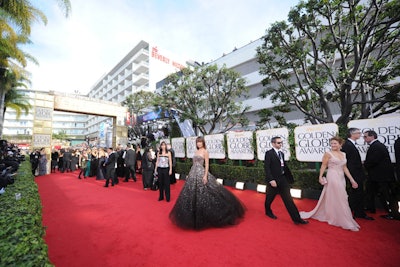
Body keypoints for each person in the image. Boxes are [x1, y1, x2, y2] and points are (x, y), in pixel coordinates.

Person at [169, 136, 246, 230]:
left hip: (201, 173)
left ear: (203, 143)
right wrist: (190, 173)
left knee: (209, 192)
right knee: (191, 194)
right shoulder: (196, 151)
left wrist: (205, 175)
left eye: (200, 142)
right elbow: (194, 164)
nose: (198, 144)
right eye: (197, 142)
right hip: (193, 173)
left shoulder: (205, 151)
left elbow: (207, 164)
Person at [300, 137, 360, 231]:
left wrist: (352, 180)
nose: (333, 145)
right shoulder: (328, 154)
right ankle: (345, 220)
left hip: (341, 177)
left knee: (339, 197)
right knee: (342, 197)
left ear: (340, 144)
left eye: (335, 143)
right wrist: (320, 177)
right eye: (331, 143)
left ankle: (337, 216)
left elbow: (345, 168)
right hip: (332, 176)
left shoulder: (343, 154)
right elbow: (324, 165)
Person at [264, 136, 308, 225]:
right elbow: (267, 168)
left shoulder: (282, 154)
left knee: (289, 199)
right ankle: (268, 211)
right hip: (273, 180)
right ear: (273, 144)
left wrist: (289, 178)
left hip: (283, 179)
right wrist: (271, 179)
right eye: (278, 143)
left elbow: (283, 166)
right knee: (269, 198)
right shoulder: (269, 153)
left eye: (281, 143)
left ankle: (297, 219)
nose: (280, 144)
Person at [363, 130, 400, 220]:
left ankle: (394, 213)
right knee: (371, 191)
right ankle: (371, 207)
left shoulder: (377, 146)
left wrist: (364, 164)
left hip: (382, 176)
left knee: (387, 194)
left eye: (365, 136)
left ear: (372, 137)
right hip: (377, 176)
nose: (364, 139)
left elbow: (374, 160)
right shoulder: (376, 145)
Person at [341, 128, 373, 220]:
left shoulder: (350, 144)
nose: (360, 135)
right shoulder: (347, 145)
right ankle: (356, 213)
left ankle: (356, 212)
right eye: (358, 133)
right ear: (352, 134)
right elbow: (345, 161)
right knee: (356, 193)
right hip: (353, 174)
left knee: (357, 193)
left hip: (356, 173)